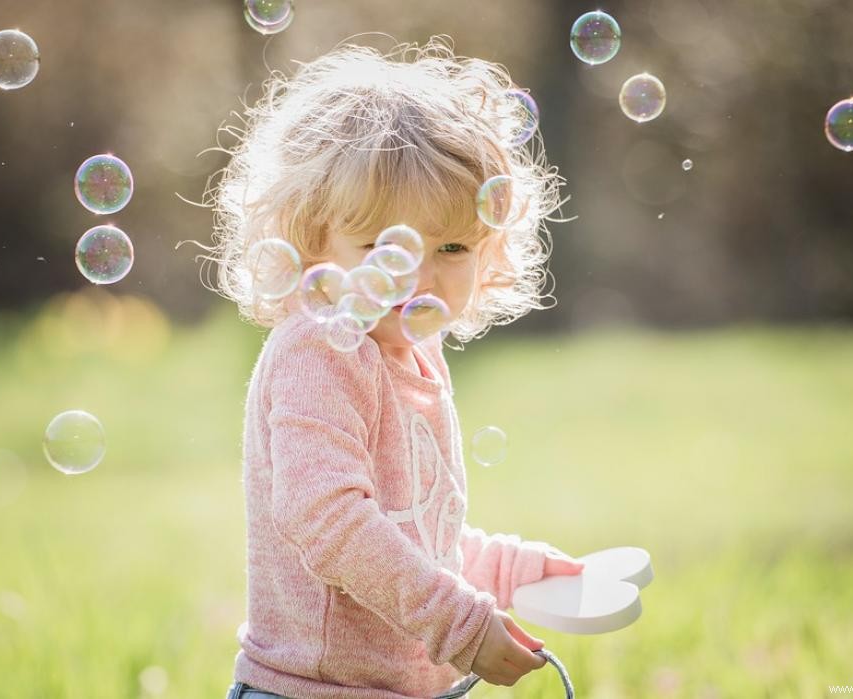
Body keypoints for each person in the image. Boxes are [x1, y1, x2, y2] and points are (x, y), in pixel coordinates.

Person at [206, 36, 583, 699]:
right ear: (309, 237)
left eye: (454, 245)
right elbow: (330, 523)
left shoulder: (412, 351)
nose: (420, 274)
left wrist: (511, 571)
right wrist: (459, 623)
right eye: (384, 244)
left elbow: (412, 531)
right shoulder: (321, 349)